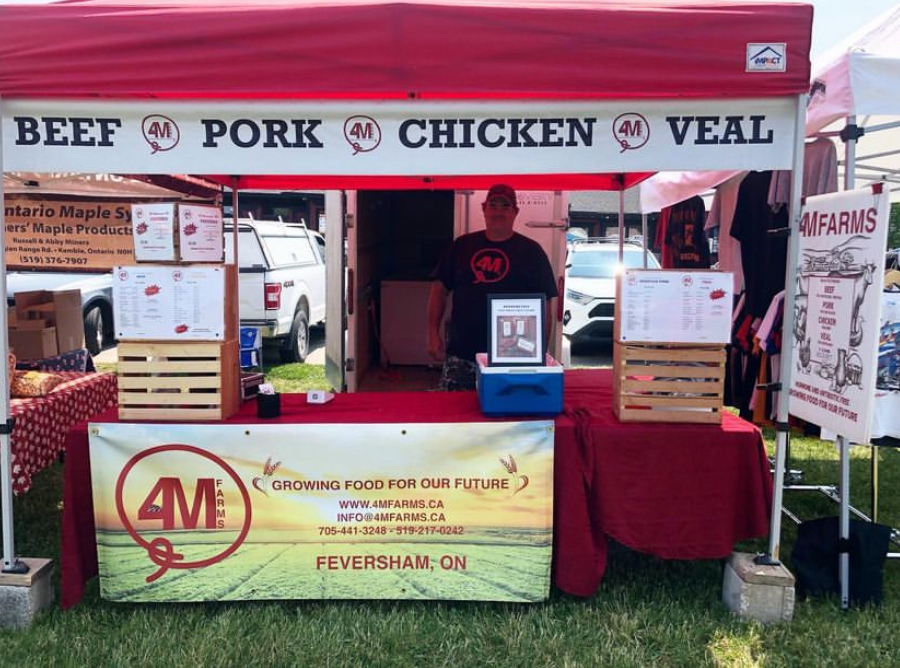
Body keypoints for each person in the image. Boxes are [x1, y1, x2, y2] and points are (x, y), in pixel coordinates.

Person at [426, 184, 558, 390]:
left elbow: (545, 306)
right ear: (484, 208)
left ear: (515, 212)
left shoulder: (532, 252)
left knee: (507, 409)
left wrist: (540, 353)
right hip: (462, 355)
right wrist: (432, 334)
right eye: (493, 205)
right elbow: (439, 289)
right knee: (453, 409)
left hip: (514, 358)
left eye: (505, 206)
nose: (498, 211)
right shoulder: (462, 245)